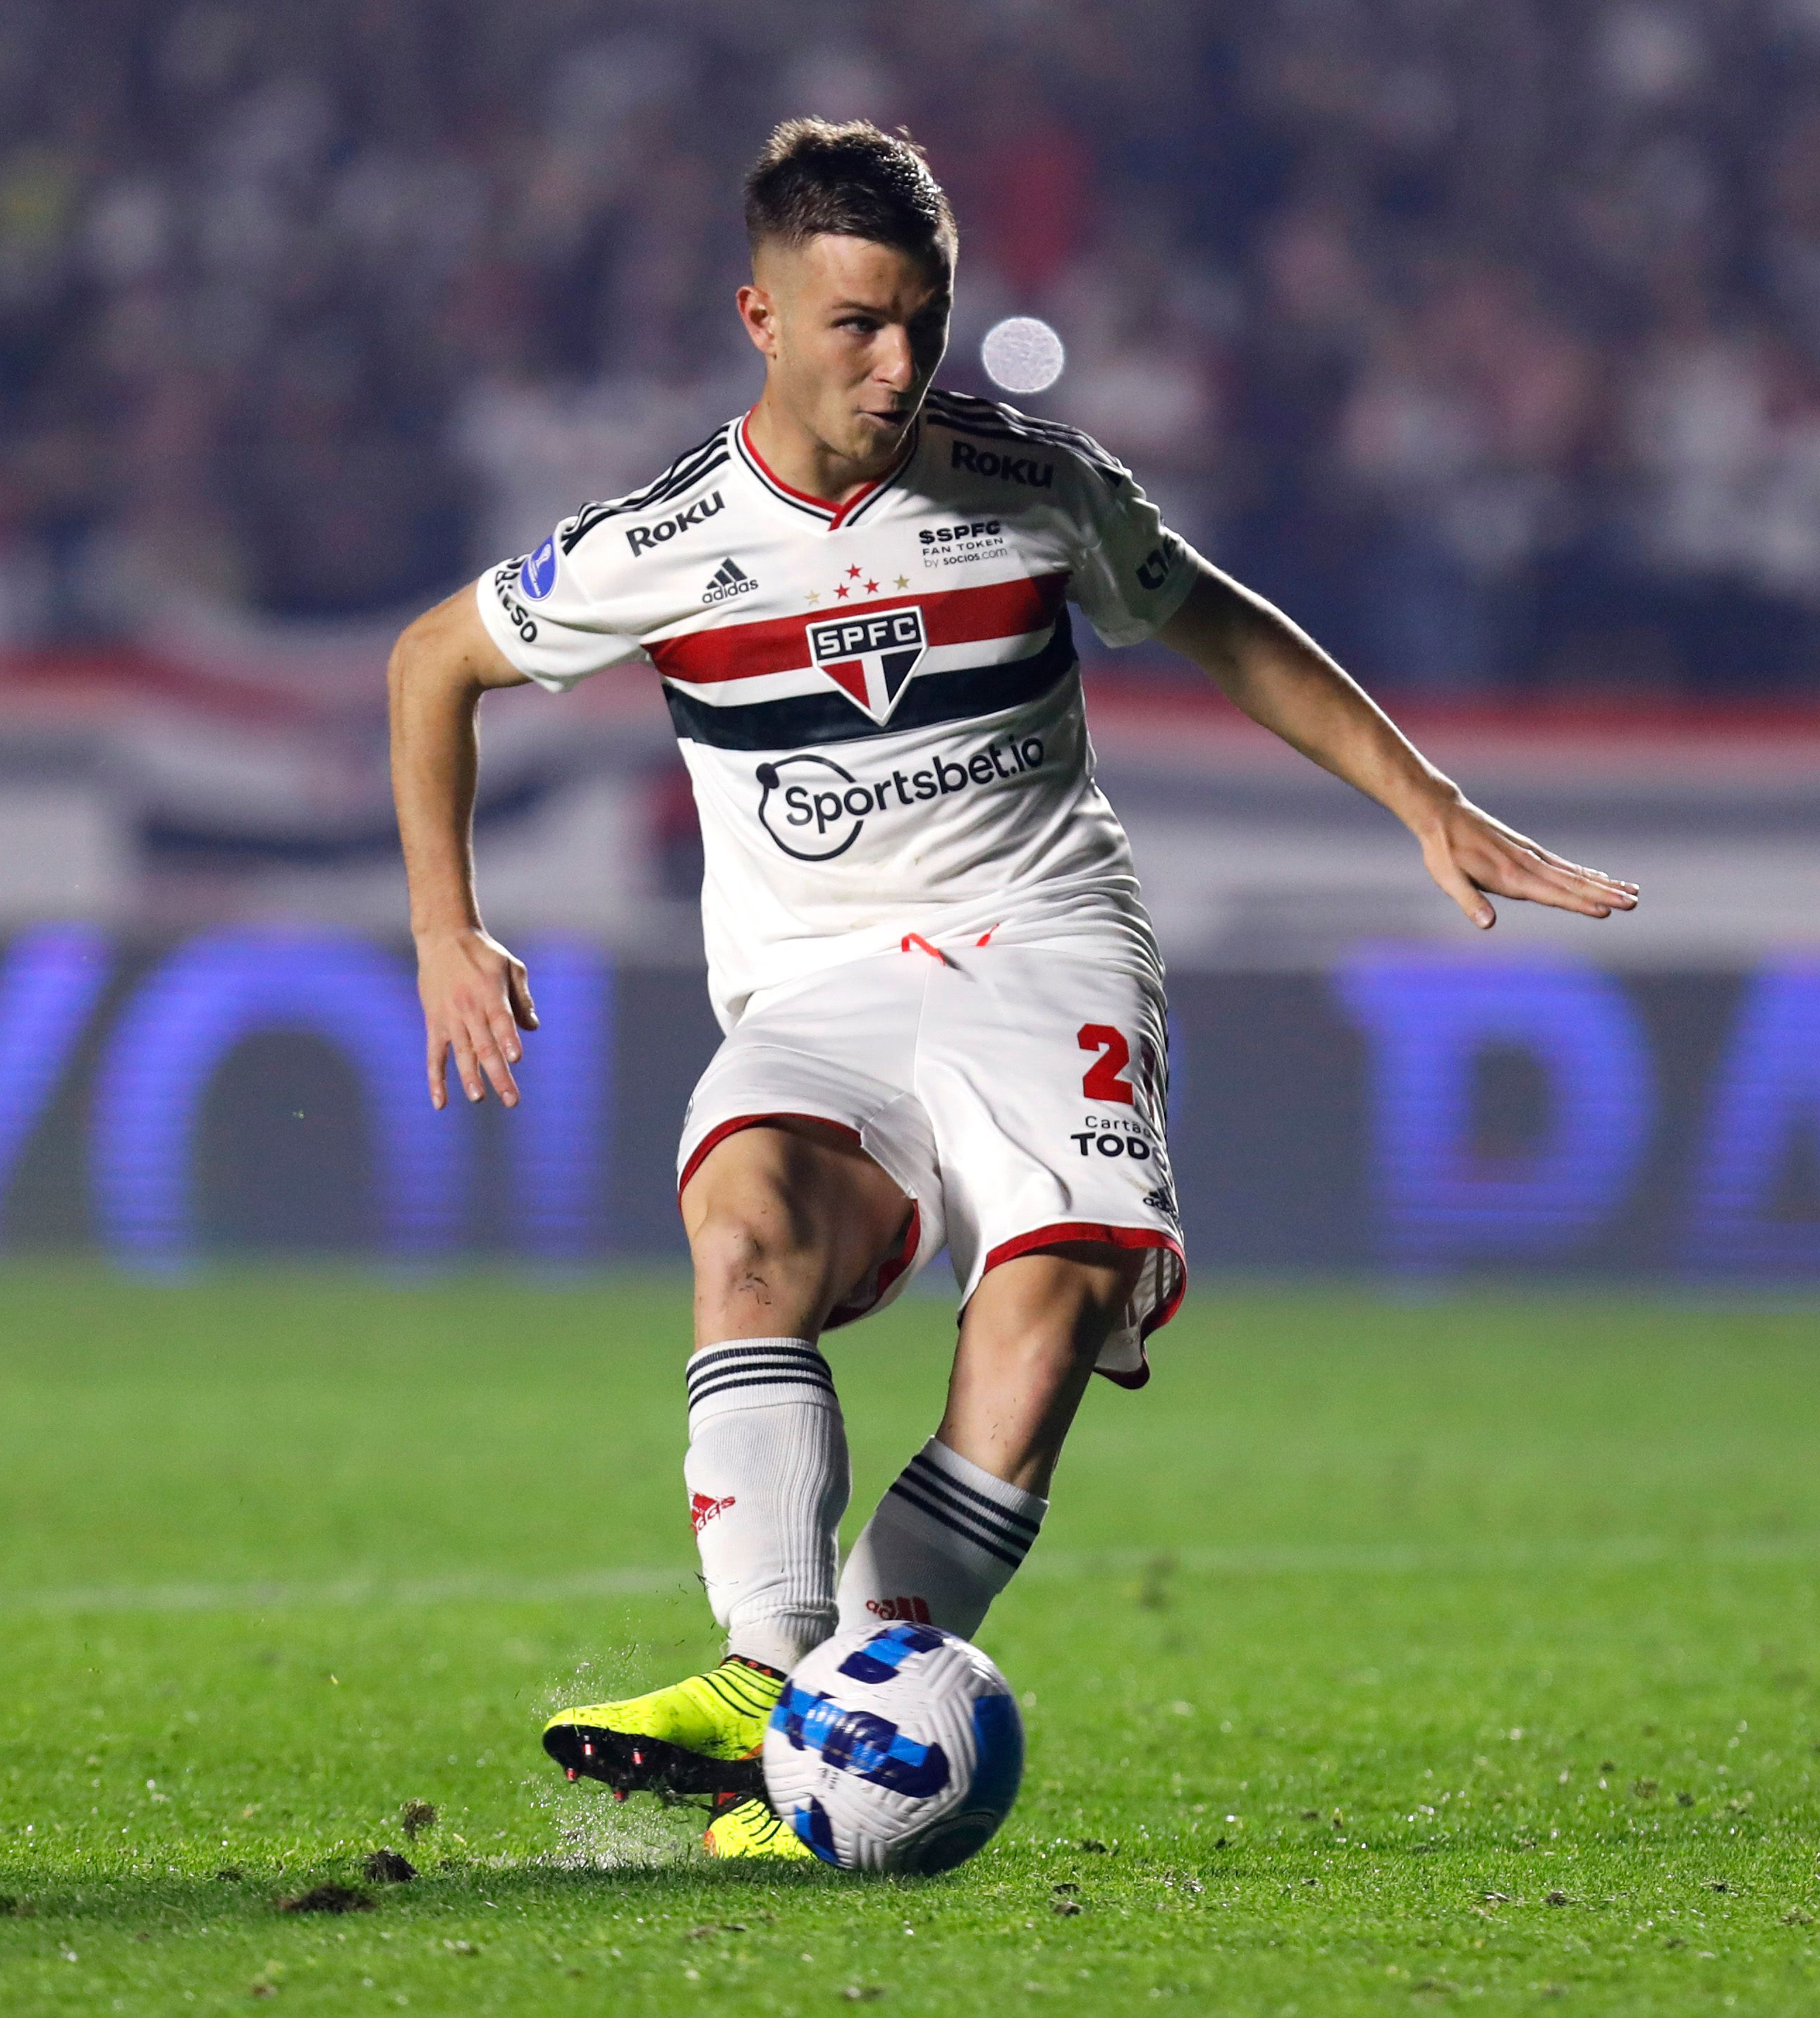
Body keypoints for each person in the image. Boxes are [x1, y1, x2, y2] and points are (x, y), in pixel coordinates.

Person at [386, 118, 1636, 1860]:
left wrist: (1419, 797)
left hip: (1041, 943)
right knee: (747, 1232)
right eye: (855, 326)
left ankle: (834, 1737)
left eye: (922, 323)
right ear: (759, 316)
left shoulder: (1030, 480)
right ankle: (775, 1683)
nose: (896, 367)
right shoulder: (663, 539)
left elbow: (1213, 619)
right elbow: (431, 660)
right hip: (816, 982)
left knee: (1045, 1307)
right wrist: (445, 928)